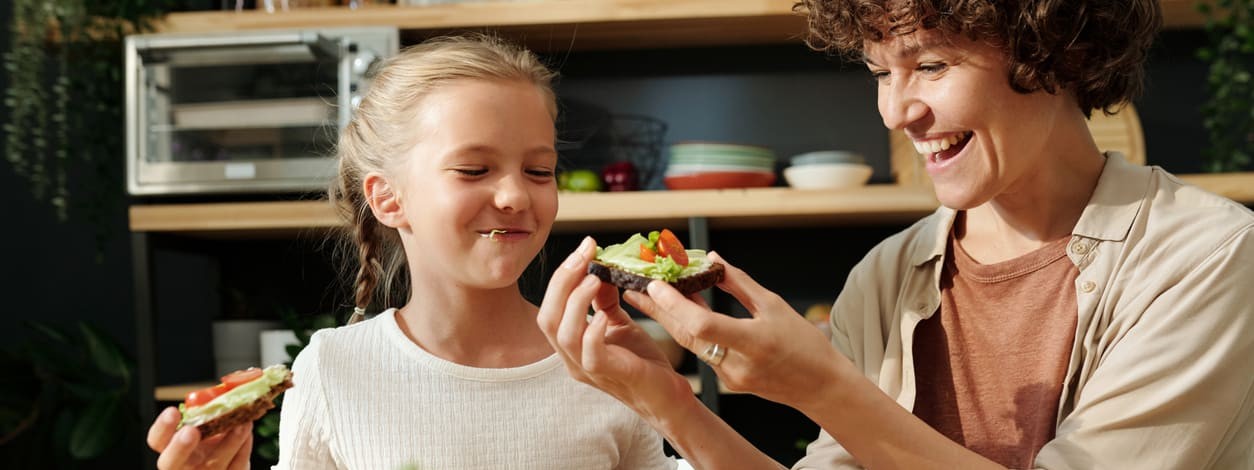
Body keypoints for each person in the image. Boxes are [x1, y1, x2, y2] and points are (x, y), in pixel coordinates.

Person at [539, 0, 1254, 468]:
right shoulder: (889, 276)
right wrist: (666, 402)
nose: (895, 111)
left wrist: (822, 387)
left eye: (931, 66)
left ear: (1057, 51)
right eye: (881, 72)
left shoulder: (1206, 257)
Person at [145, 35, 678, 470]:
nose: (516, 196)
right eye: (474, 169)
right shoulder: (332, 369)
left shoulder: (604, 365)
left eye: (539, 171)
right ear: (387, 198)